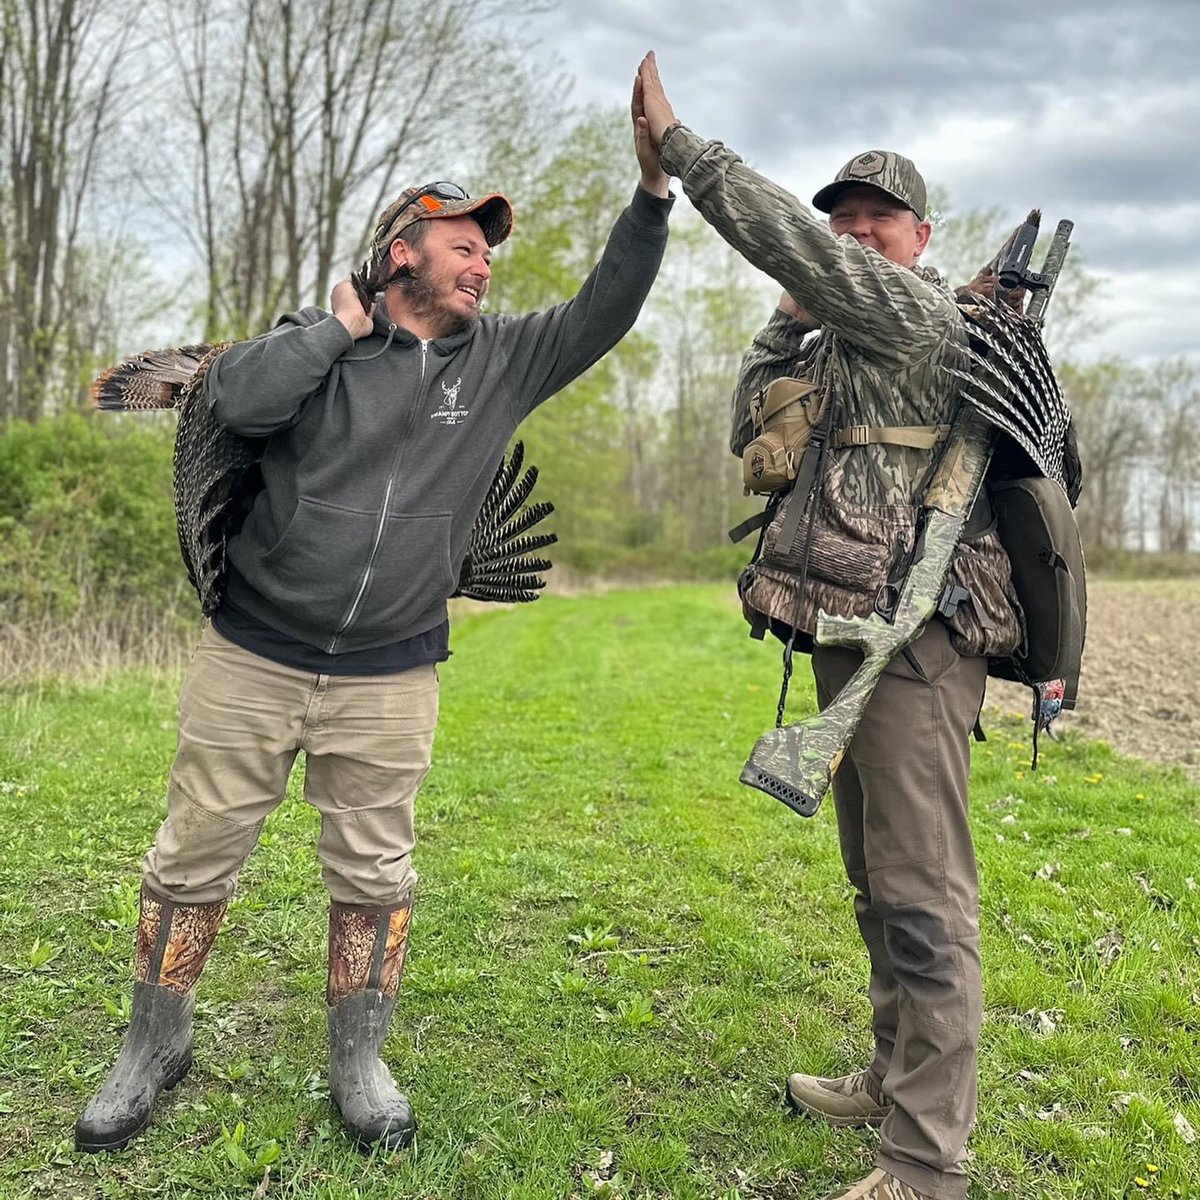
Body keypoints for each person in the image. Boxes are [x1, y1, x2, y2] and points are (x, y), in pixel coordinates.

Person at [75, 79, 674, 1156]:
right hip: (255, 652)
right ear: (403, 252)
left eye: (488, 248)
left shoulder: (499, 362)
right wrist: (339, 325)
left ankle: (360, 1057)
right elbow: (236, 402)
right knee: (192, 856)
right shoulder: (313, 342)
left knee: (374, 870)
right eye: (463, 244)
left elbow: (605, 310)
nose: (485, 260)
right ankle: (152, 1045)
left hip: (392, 672)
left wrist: (649, 196)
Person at [636, 52, 1022, 1200]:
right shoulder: (843, 343)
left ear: (921, 236)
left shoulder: (919, 318)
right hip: (847, 636)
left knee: (924, 895)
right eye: (841, 219)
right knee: (876, 880)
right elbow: (752, 427)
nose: (853, 235)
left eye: (877, 220)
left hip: (919, 648)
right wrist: (783, 323)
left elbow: (783, 240)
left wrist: (685, 150)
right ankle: (889, 1077)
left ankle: (924, 1163)